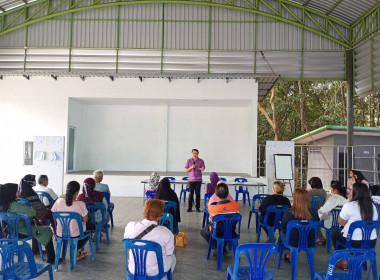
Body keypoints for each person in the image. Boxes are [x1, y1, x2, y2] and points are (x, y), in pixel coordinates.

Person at [0, 183, 56, 264]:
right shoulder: (15, 205)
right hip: (20, 231)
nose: (19, 192)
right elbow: (32, 212)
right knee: (46, 230)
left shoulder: (2, 205)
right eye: (17, 191)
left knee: (35, 228)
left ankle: (35, 250)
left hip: (8, 232)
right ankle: (51, 259)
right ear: (11, 193)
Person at [123, 199, 176, 278]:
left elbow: (127, 241)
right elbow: (169, 253)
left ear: (144, 210)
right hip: (155, 272)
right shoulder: (166, 233)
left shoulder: (130, 226)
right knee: (173, 258)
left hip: (133, 269)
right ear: (159, 215)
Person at [332, 182, 378, 269]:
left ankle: (344, 261)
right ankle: (359, 261)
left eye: (350, 190)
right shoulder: (373, 206)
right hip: (371, 241)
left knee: (335, 234)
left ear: (357, 193)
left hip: (354, 242)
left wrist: (349, 224)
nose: (347, 193)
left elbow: (341, 222)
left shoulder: (349, 205)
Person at [52, 181, 94, 261]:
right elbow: (85, 219)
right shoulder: (80, 204)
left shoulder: (59, 201)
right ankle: (77, 251)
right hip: (75, 234)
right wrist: (76, 219)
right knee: (91, 227)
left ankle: (76, 251)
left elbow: (53, 213)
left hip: (60, 232)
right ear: (77, 192)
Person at [200, 183, 240, 254]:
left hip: (218, 232)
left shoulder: (212, 208)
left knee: (203, 231)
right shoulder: (236, 205)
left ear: (216, 195)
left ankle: (216, 246)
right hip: (231, 231)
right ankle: (223, 245)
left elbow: (212, 220)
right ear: (228, 193)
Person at [281, 188, 319, 261]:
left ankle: (289, 252)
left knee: (283, 233)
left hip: (292, 242)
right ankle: (290, 253)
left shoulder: (288, 212)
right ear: (308, 198)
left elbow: (283, 226)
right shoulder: (314, 212)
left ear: (295, 199)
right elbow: (317, 224)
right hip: (309, 241)